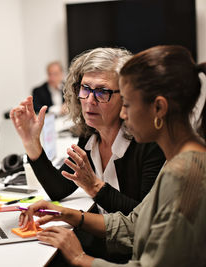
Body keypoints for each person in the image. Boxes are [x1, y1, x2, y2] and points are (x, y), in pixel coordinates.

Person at [20, 45, 206, 266]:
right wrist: (66, 214)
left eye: (127, 103)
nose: (124, 114)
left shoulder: (182, 173)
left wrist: (80, 258)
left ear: (158, 108)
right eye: (85, 89)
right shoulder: (180, 161)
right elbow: (137, 223)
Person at [11, 48, 165, 216]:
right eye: (85, 88)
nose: (90, 100)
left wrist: (94, 187)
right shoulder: (90, 136)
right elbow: (59, 188)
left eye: (102, 91)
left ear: (126, 97)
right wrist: (32, 143)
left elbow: (145, 218)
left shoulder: (148, 143)